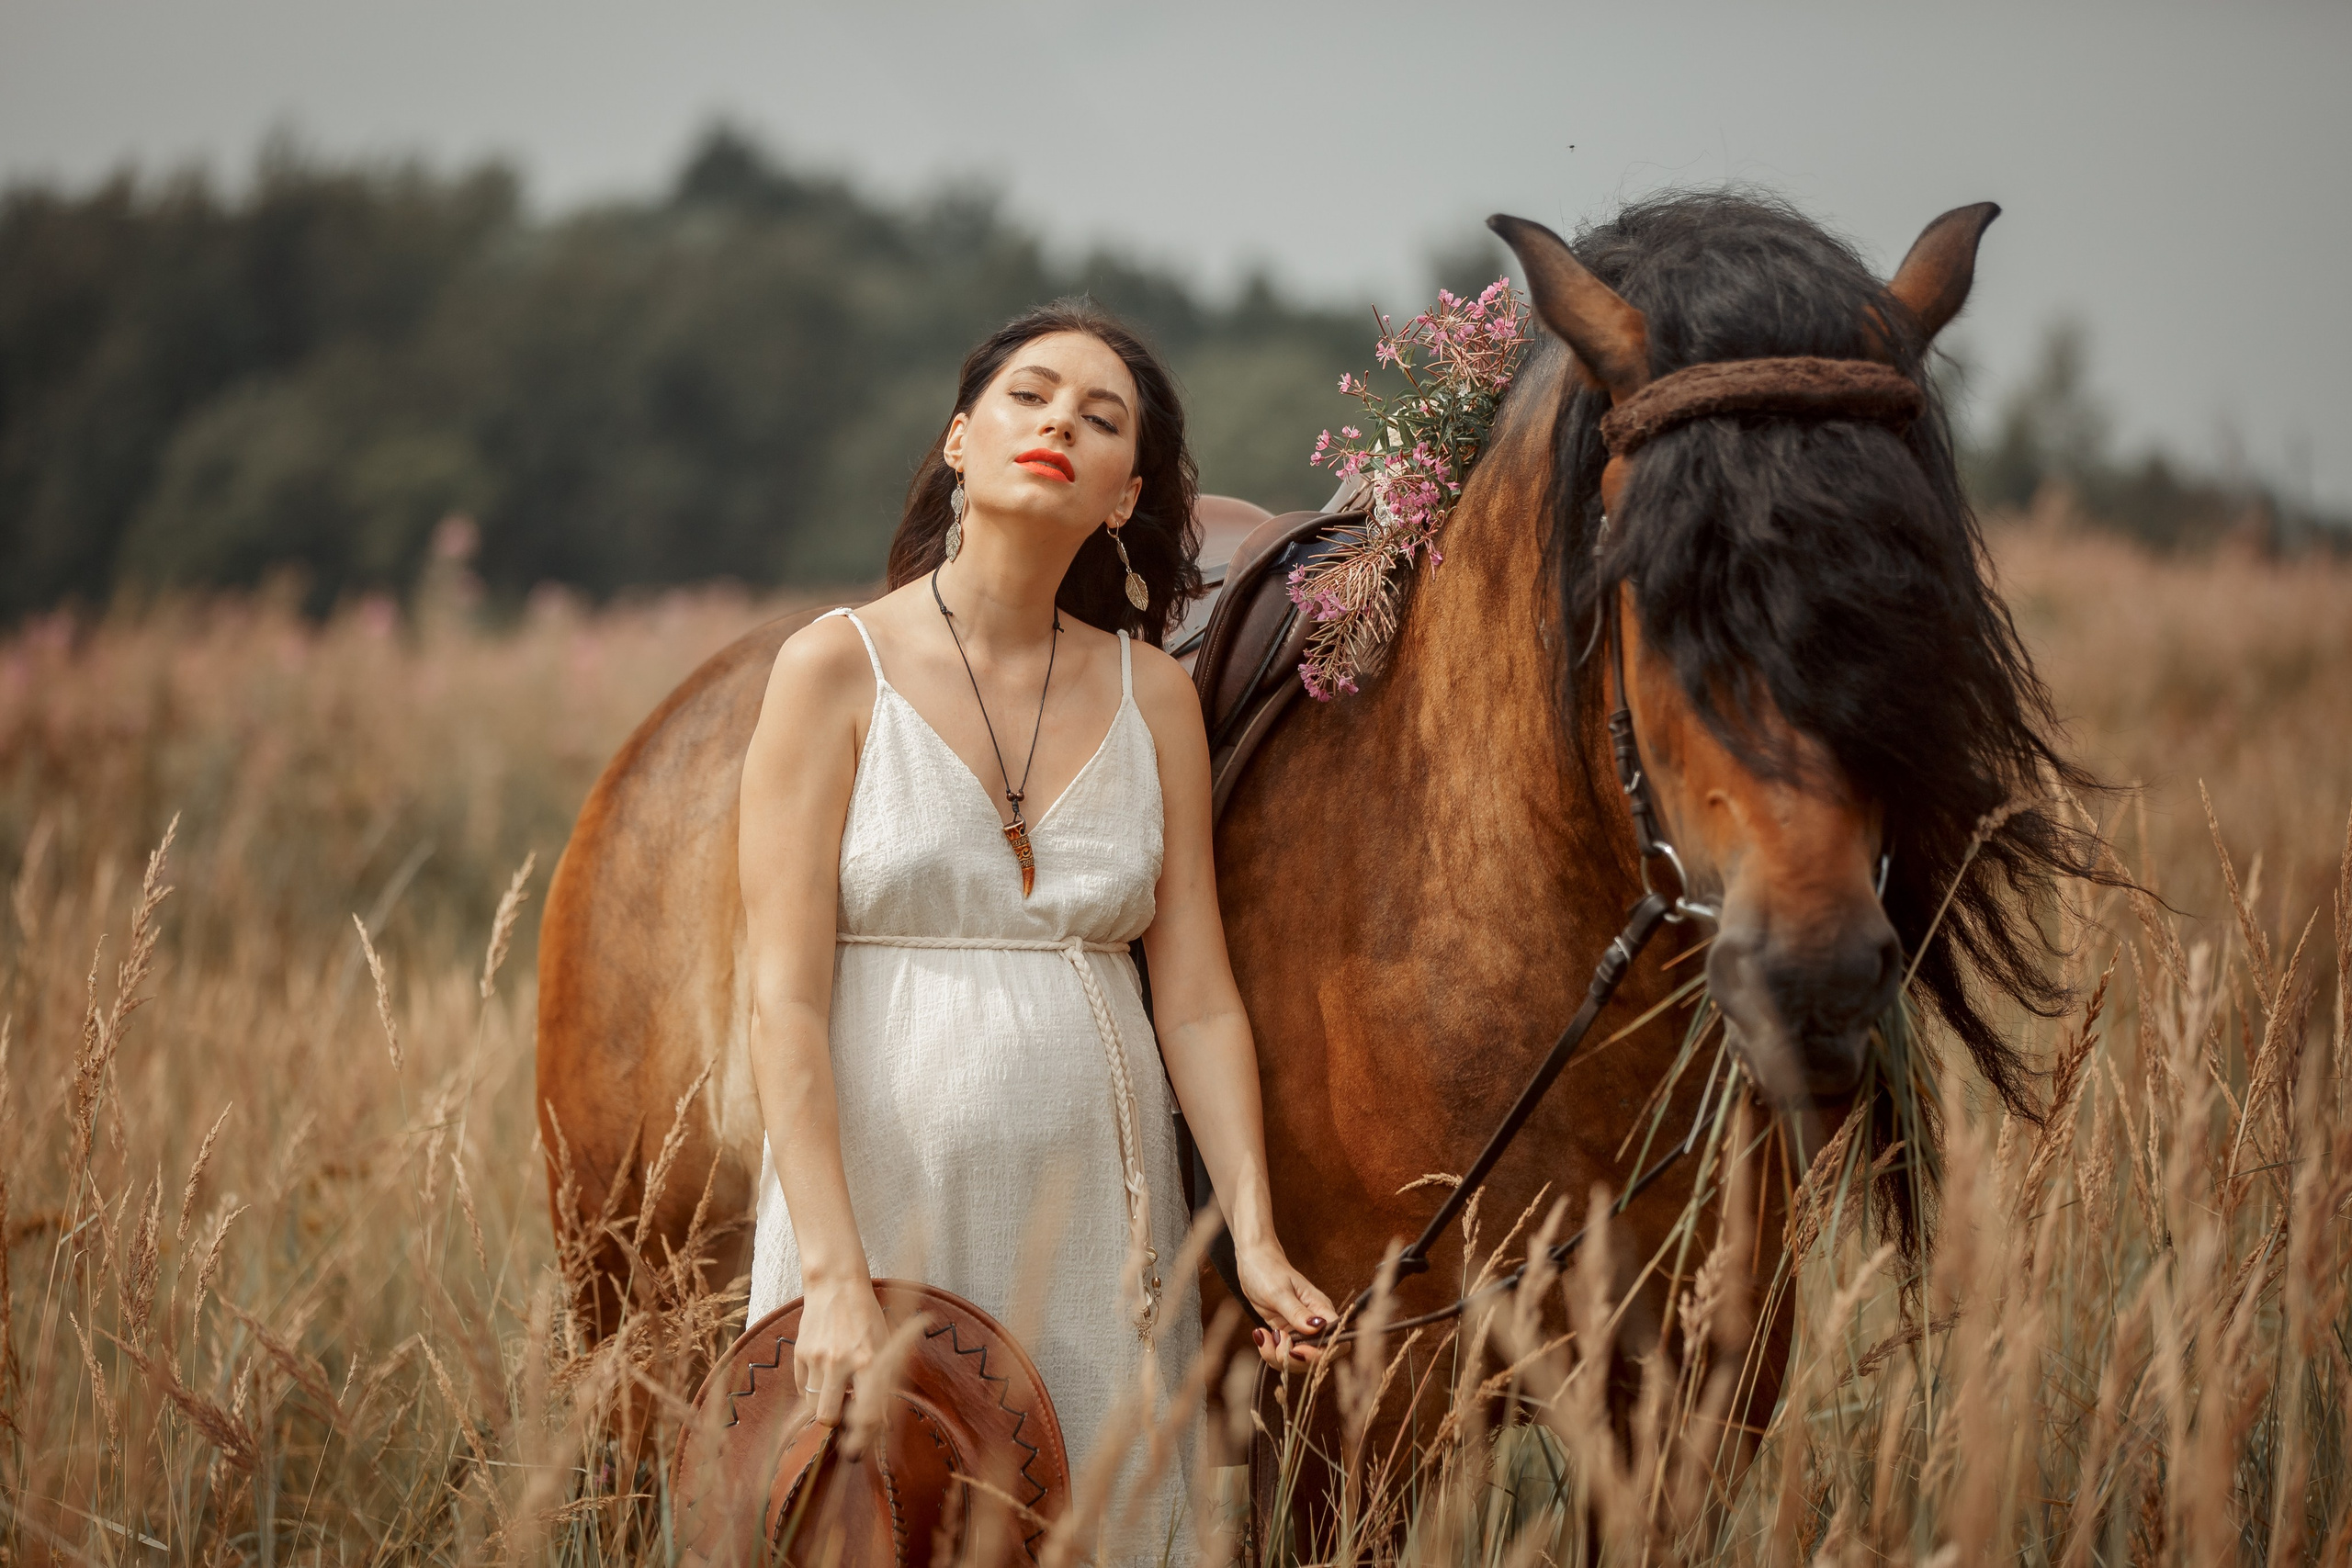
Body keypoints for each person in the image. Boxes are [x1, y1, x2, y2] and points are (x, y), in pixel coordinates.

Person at [738, 299, 1336, 1560]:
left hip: (1095, 1230)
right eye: (1029, 394)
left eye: (1101, 415)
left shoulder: (1155, 696)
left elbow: (1199, 1000)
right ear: (960, 440)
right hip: (877, 1207)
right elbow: (782, 1000)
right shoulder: (832, 669)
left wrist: (1257, 1230)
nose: (1060, 418)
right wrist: (834, 1278)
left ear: (1125, 495)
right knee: (875, 1526)